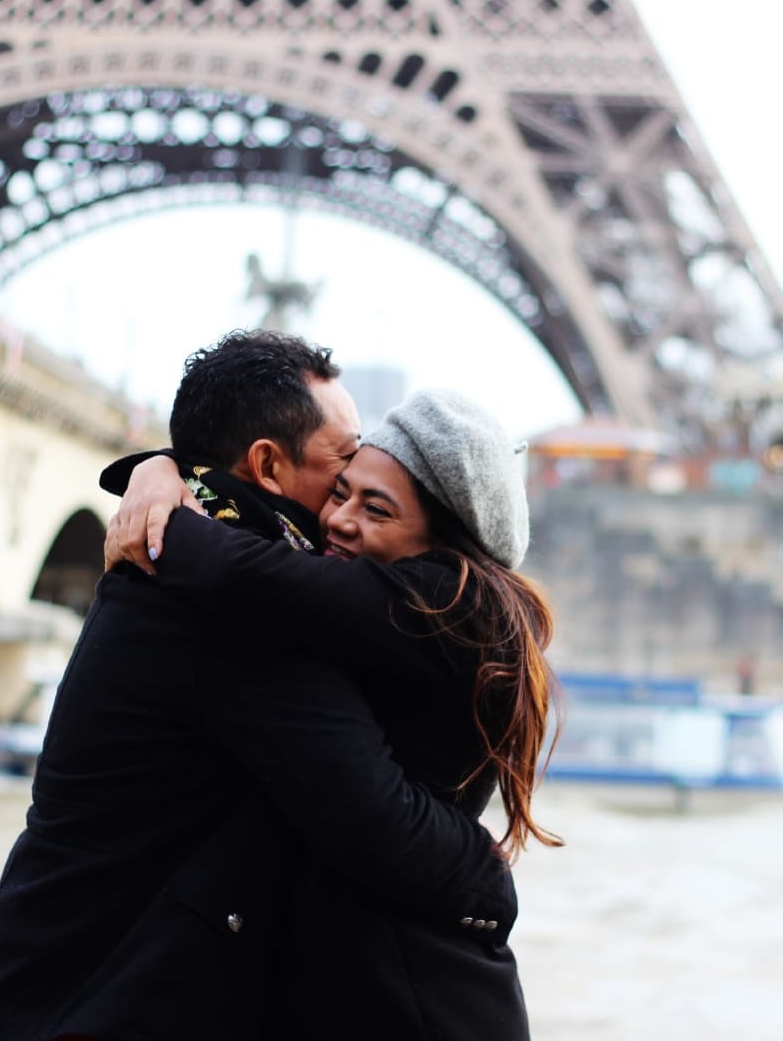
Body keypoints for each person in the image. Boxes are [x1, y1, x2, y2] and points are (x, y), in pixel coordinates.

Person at [0, 332, 516, 1041]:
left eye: (373, 503)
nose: (342, 507)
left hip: (40, 991)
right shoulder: (242, 616)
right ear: (268, 465)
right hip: (90, 1006)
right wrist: (488, 882)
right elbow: (376, 826)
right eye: (342, 469)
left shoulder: (187, 559)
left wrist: (158, 470)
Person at [108, 387, 562, 1040]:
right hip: (388, 982)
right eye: (341, 492)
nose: (339, 519)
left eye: (376, 509)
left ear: (445, 544)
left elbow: (249, 576)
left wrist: (162, 504)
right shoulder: (406, 615)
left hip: (416, 1000)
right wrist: (160, 468)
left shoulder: (449, 601)